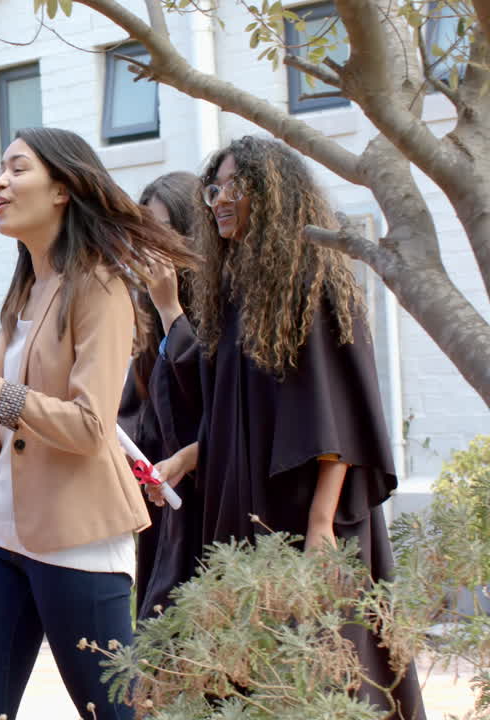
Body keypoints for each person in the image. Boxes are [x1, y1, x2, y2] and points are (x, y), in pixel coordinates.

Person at [0, 128, 194, 720]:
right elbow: (10, 431)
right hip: (1, 536)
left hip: (78, 540)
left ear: (62, 188)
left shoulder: (101, 287)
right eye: (0, 170)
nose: (0, 183)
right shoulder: (25, 293)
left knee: (108, 712)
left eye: (18, 169)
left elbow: (88, 427)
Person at [149, 135, 426, 720]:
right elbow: (244, 420)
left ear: (273, 194)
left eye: (234, 187)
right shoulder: (237, 295)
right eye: (213, 188)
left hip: (308, 515)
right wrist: (187, 458)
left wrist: (322, 525)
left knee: (324, 669)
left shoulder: (314, 284)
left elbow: (339, 415)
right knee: (256, 675)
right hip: (248, 513)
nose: (219, 199)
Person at [113, 171, 204, 620]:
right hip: (165, 495)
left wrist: (172, 309)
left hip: (212, 493)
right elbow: (140, 405)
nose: (155, 246)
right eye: (147, 232)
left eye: (165, 231)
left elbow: (212, 396)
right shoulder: (145, 305)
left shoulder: (222, 304)